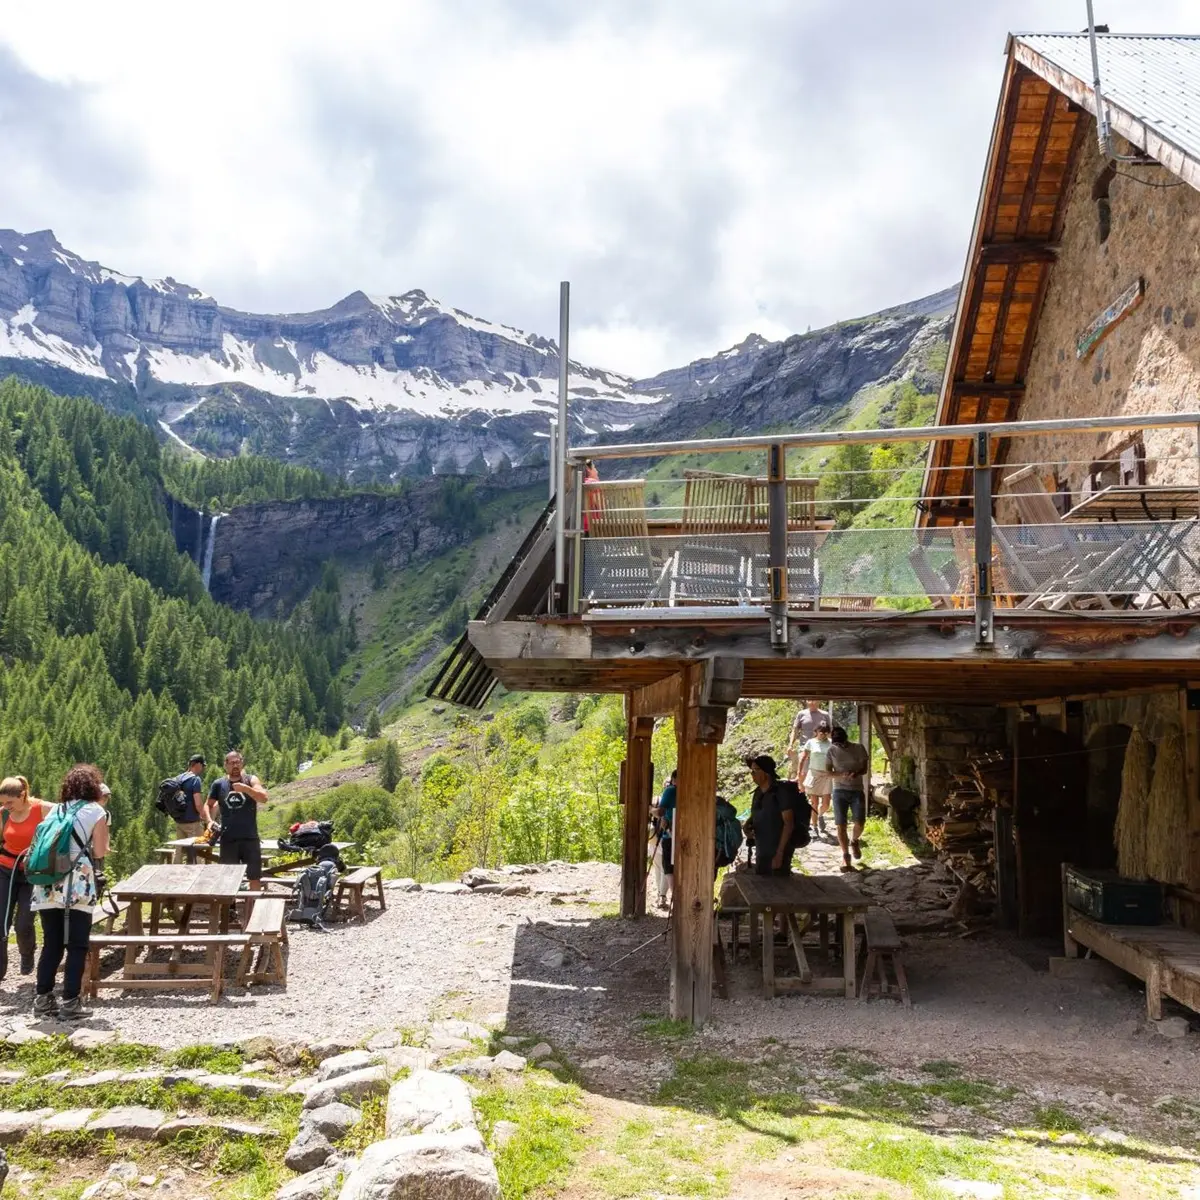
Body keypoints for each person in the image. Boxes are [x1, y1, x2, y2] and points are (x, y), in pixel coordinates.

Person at [32, 763, 110, 1021]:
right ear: (93, 786)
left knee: (51, 943)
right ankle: (70, 1003)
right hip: (76, 884)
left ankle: (42, 1001)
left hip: (46, 884)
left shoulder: (55, 810)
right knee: (77, 945)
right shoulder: (95, 810)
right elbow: (99, 852)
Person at [0, 777, 54, 980]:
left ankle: (27, 953)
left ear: (22, 795)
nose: (6, 807)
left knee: (23, 922)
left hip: (32, 873)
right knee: (0, 920)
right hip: (5, 869)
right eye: (3, 803)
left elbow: (67, 817)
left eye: (9, 802)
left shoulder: (43, 809)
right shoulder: (3, 814)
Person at [203, 751, 269, 891]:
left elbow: (263, 798)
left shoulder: (250, 780)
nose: (235, 765)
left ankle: (253, 910)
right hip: (228, 839)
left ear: (242, 763)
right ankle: (229, 910)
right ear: (225, 765)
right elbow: (208, 805)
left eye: (238, 762)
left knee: (254, 877)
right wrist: (209, 820)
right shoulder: (219, 784)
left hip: (250, 837)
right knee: (227, 877)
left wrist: (246, 789)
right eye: (232, 763)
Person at [747, 755, 798, 877]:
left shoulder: (780, 793)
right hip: (761, 848)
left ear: (767, 772)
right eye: (751, 771)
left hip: (778, 849)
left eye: (756, 770)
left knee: (779, 887)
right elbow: (757, 813)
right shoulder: (758, 792)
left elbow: (788, 823)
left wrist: (779, 853)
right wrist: (747, 826)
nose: (752, 774)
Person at [828, 726, 870, 872]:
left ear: (845, 738)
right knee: (841, 825)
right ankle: (845, 856)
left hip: (856, 790)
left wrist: (856, 773)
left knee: (860, 821)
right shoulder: (831, 750)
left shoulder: (859, 748)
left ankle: (854, 840)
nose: (838, 745)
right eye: (836, 743)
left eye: (840, 742)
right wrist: (841, 774)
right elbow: (828, 772)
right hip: (839, 790)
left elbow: (865, 769)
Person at [796, 722, 833, 838]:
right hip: (814, 773)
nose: (823, 734)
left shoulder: (831, 743)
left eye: (826, 732)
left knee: (826, 803)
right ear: (816, 732)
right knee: (814, 802)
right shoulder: (811, 742)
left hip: (827, 775)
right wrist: (799, 772)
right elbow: (803, 757)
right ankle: (815, 825)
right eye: (821, 732)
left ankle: (821, 815)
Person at [172, 755, 207, 860]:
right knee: (198, 851)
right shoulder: (195, 779)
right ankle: (198, 873)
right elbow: (198, 803)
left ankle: (172, 873)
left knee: (178, 851)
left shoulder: (178, 778)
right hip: (192, 823)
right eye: (202, 765)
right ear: (198, 764)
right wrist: (204, 815)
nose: (203, 768)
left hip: (179, 821)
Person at [786, 700, 831, 779]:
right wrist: (790, 745)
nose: (812, 702)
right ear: (807, 702)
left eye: (814, 700)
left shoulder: (825, 715)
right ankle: (802, 789)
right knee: (803, 773)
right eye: (810, 700)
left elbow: (830, 732)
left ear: (819, 701)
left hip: (821, 748)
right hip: (804, 747)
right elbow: (795, 730)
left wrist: (831, 746)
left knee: (820, 773)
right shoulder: (801, 714)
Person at [652, 770, 677, 908]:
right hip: (691, 835)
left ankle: (673, 898)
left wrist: (650, 810)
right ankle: (665, 895)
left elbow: (660, 812)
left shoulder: (670, 791)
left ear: (674, 779)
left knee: (667, 867)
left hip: (670, 834)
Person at [582, 459, 601, 534]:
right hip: (594, 526)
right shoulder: (593, 484)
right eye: (594, 468)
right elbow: (601, 507)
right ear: (588, 470)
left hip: (579, 526)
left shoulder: (576, 483)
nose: (597, 471)